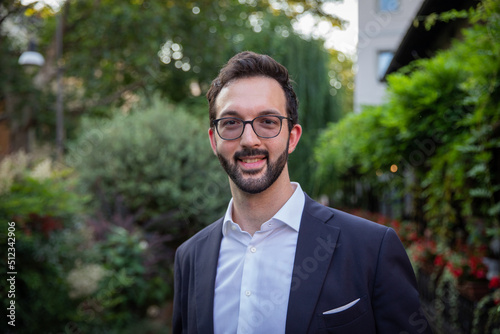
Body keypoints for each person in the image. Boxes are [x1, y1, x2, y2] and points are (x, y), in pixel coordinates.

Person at [172, 51, 432, 334]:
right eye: (231, 123)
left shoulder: (372, 249)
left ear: (292, 137)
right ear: (214, 140)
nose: (249, 139)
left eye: (268, 122)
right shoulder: (190, 258)